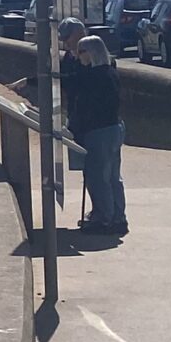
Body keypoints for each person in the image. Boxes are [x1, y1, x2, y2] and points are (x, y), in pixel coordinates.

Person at [58, 18, 126, 236]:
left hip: (99, 130)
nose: (77, 56)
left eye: (82, 52)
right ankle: (116, 217)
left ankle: (104, 219)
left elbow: (74, 85)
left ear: (91, 52)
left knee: (98, 177)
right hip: (112, 128)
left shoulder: (96, 75)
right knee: (112, 176)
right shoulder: (106, 71)